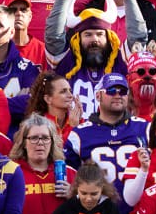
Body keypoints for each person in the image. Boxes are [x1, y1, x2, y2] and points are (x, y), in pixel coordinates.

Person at [63, 73, 150, 204]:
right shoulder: (79, 134)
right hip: (97, 212)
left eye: (122, 91)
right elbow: (69, 177)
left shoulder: (144, 127)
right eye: (111, 91)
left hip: (138, 211)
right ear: (98, 96)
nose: (117, 96)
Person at [0, 4, 40, 120]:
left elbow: (32, 106)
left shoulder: (27, 68)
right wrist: (15, 102)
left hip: (13, 137)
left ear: (11, 32)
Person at [24, 71, 81, 142]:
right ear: (48, 99)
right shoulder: (37, 126)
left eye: (70, 91)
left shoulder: (78, 121)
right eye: (63, 91)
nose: (70, 96)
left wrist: (79, 124)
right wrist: (74, 128)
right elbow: (56, 151)